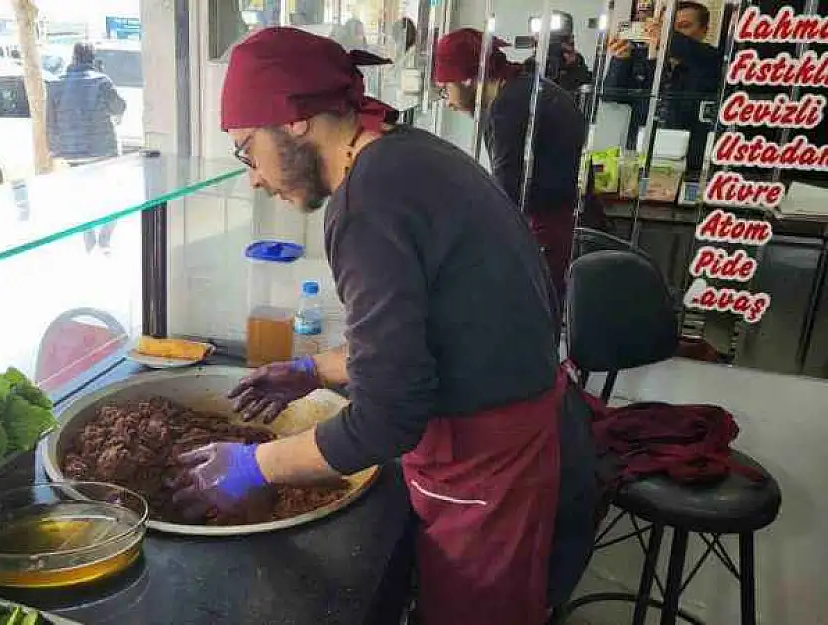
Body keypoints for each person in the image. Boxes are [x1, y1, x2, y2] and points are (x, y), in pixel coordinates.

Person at [172, 27, 598, 625]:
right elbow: (431, 329)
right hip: (522, 431)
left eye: (246, 149)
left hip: (492, 465)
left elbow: (386, 420)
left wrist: (252, 467)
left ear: (293, 120)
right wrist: (312, 368)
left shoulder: (368, 200)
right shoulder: (407, 153)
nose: (254, 177)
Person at [434, 28, 586, 309]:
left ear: (469, 80)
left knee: (527, 311)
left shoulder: (508, 107)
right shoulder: (527, 88)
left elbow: (506, 192)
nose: (449, 103)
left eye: (446, 88)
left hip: (541, 227)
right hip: (556, 219)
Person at [604, 1, 722, 171]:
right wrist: (619, 61)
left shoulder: (710, 61)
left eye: (684, 26)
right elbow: (611, 97)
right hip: (638, 155)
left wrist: (667, 36)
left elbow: (702, 56)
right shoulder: (642, 58)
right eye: (667, 27)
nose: (672, 33)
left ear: (704, 31)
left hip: (690, 160)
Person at [46, 42, 127, 254]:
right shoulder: (101, 81)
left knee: (83, 199)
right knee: (115, 198)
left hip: (73, 155)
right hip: (103, 153)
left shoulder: (56, 83)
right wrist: (103, 76)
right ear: (93, 59)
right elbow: (119, 107)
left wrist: (55, 150)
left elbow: (50, 122)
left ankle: (89, 242)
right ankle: (105, 240)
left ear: (73, 59)